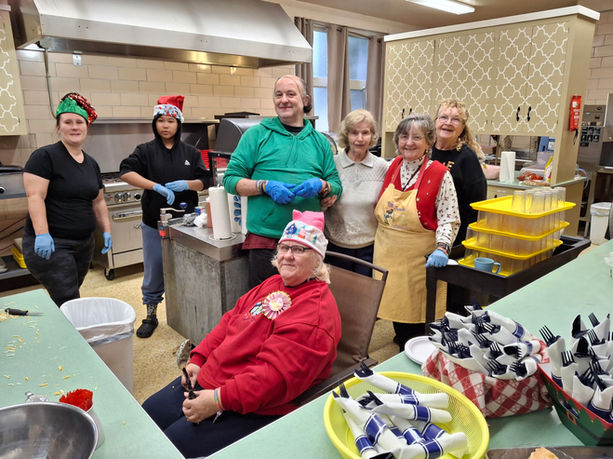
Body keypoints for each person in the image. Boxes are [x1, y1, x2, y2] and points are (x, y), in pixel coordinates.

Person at [142, 210, 341, 458]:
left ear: (317, 259)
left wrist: (217, 400)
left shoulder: (314, 314)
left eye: (300, 249)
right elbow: (230, 322)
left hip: (252, 404)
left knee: (171, 447)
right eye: (284, 247)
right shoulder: (273, 284)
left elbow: (272, 379)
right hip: (213, 377)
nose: (288, 255)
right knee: (148, 413)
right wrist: (198, 360)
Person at [223, 75, 342, 288]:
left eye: (290, 94)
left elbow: (336, 184)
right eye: (278, 95)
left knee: (303, 302)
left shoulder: (320, 142)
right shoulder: (256, 135)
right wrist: (264, 186)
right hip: (266, 241)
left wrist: (323, 186)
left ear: (305, 100)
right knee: (265, 301)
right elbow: (230, 180)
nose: (284, 100)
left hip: (307, 242)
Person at [120, 95, 207, 338]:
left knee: (188, 267)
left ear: (178, 124)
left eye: (170, 120)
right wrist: (155, 186)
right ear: (155, 123)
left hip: (187, 223)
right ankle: (151, 314)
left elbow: (206, 180)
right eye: (161, 120)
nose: (165, 125)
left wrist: (187, 184)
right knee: (155, 267)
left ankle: (190, 311)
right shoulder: (145, 151)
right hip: (154, 221)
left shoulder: (191, 152)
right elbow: (125, 171)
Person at [373, 114, 460, 350]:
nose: (409, 142)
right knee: (394, 308)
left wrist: (442, 247)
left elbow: (449, 217)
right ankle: (401, 341)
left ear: (429, 142)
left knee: (416, 313)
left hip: (417, 260)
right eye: (404, 136)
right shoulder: (392, 166)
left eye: (417, 137)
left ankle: (413, 350)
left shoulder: (440, 173)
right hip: (387, 254)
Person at [22, 92, 112, 307]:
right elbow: (35, 196)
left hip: (84, 243)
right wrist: (42, 234)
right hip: (54, 243)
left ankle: (62, 323)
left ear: (87, 127)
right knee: (67, 298)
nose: (74, 127)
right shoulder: (44, 157)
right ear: (58, 127)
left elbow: (98, 201)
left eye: (79, 122)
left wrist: (107, 230)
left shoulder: (91, 163)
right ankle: (70, 329)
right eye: (68, 122)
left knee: (69, 293)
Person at [323, 109, 388, 275]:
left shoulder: (382, 167)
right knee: (338, 291)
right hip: (335, 248)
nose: (360, 138)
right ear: (346, 135)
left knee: (367, 291)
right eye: (354, 133)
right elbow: (319, 204)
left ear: (372, 136)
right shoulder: (332, 164)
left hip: (370, 249)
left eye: (365, 133)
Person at [431, 99, 487, 246]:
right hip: (425, 232)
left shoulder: (467, 158)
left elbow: (476, 204)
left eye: (455, 119)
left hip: (454, 235)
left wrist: (465, 241)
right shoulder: (425, 150)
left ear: (462, 127)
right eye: (443, 117)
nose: (448, 123)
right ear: (435, 121)